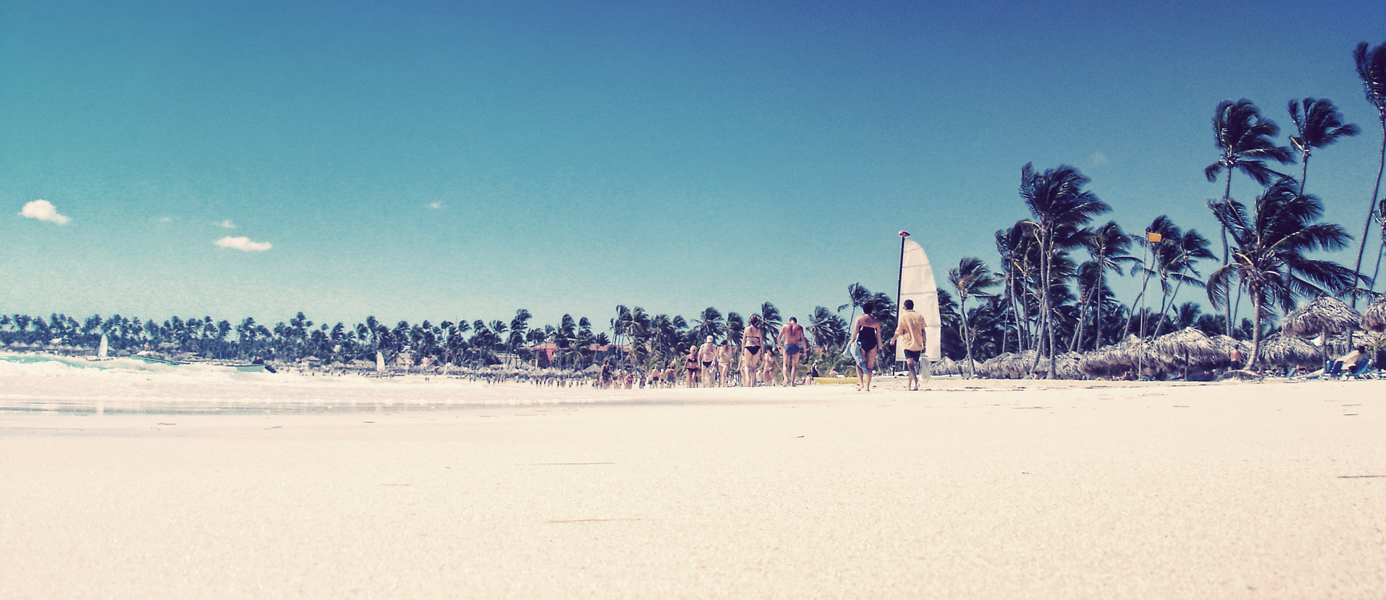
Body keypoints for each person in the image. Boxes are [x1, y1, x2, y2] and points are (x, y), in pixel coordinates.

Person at [892, 299, 928, 391]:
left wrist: (893, 340)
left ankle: (915, 381)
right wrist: (924, 344)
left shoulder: (903, 317)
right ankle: (909, 385)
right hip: (918, 343)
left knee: (910, 365)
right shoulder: (919, 316)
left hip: (908, 343)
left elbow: (898, 331)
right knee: (912, 365)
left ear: (905, 307)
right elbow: (923, 331)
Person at [850, 301, 883, 392]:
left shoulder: (859, 319)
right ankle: (867, 387)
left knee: (859, 363)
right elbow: (878, 335)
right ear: (871, 310)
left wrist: (851, 341)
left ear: (863, 310)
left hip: (862, 342)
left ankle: (861, 384)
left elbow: (855, 331)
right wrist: (880, 346)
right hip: (872, 343)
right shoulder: (876, 321)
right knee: (870, 366)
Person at [780, 316, 807, 387]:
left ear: (790, 321)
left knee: (785, 364)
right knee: (794, 366)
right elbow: (803, 340)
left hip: (787, 346)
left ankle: (785, 378)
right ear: (796, 321)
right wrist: (805, 351)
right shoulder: (799, 327)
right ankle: (792, 382)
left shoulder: (785, 326)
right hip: (795, 347)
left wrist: (779, 346)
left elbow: (779, 337)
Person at [741, 314, 764, 387]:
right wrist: (762, 352)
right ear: (756, 322)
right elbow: (761, 342)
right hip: (756, 347)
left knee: (747, 365)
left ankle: (747, 378)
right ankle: (752, 383)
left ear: (750, 321)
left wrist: (742, 349)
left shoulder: (746, 329)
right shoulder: (759, 331)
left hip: (748, 346)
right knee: (753, 366)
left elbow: (743, 340)